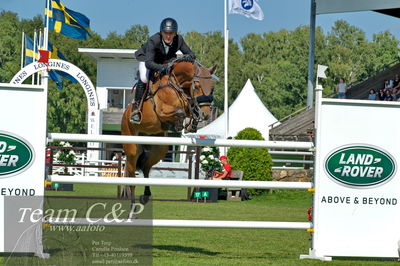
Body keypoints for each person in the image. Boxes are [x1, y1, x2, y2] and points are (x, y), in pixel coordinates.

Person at [131, 17, 196, 124]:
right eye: (166, 33)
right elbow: (149, 63)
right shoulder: (154, 40)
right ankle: (136, 108)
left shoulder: (179, 40)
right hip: (147, 59)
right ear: (161, 32)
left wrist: (188, 57)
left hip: (165, 60)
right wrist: (162, 68)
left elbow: (191, 54)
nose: (168, 36)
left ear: (175, 33)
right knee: (144, 78)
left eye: (171, 33)